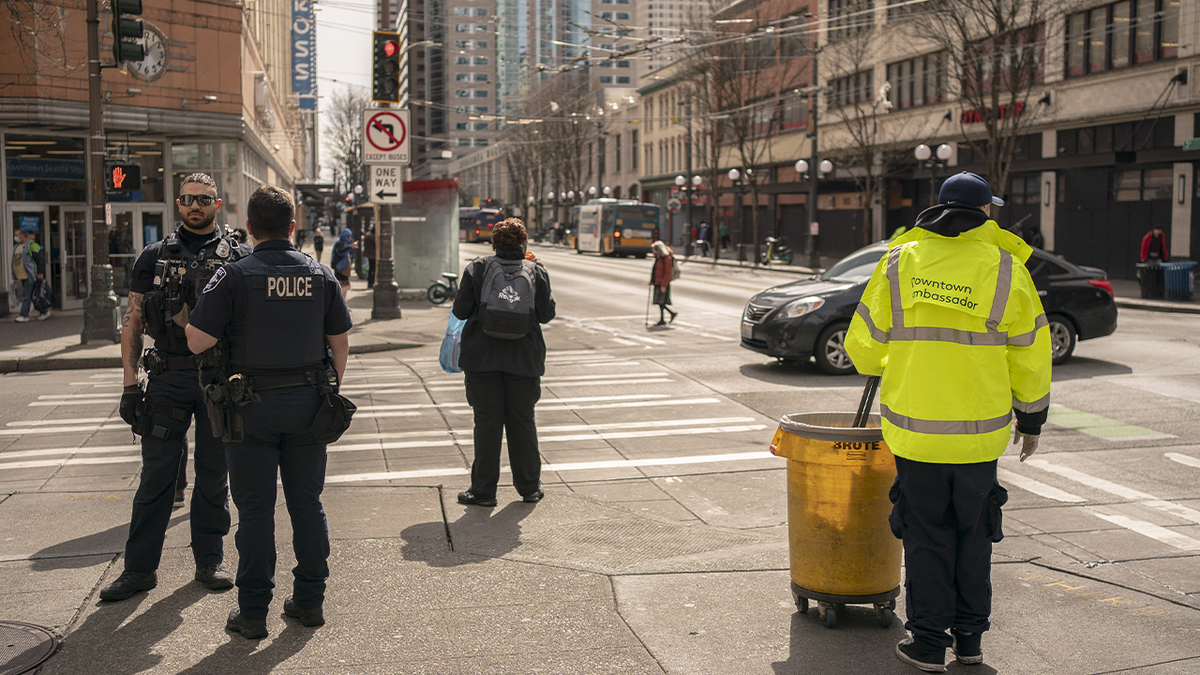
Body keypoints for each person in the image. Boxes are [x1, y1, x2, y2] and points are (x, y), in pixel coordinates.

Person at [845, 171, 1051, 673]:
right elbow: (1031, 354)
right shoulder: (1006, 269)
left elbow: (864, 349)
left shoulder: (899, 262)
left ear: (937, 208)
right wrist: (1032, 421)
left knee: (927, 539)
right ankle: (971, 642)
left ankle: (929, 644)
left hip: (915, 436)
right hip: (979, 441)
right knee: (974, 539)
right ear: (986, 212)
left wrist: (903, 362)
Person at [186, 185, 353, 640]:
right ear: (293, 226)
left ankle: (253, 612)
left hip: (249, 410)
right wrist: (328, 386)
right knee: (307, 504)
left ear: (249, 229)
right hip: (308, 405)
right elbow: (339, 343)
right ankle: (310, 601)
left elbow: (197, 340)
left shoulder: (234, 275)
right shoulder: (319, 275)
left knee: (256, 512)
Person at [103, 172, 251, 602]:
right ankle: (139, 570)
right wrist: (130, 385)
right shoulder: (152, 256)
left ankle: (210, 560)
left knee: (212, 475)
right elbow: (133, 321)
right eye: (187, 199)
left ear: (217, 204)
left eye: (203, 199)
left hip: (216, 381)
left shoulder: (238, 255)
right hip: (166, 379)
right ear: (177, 202)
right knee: (157, 477)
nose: (194, 206)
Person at [452, 218, 555, 508]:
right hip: (524, 360)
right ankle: (529, 488)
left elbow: (460, 311)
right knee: (522, 422)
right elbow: (547, 314)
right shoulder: (536, 271)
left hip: (482, 361)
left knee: (487, 424)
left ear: (494, 244)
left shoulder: (476, 268)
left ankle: (484, 491)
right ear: (524, 244)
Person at [11, 227, 48, 322]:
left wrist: (40, 272)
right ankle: (44, 311)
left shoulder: (31, 245)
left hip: (29, 275)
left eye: (16, 235)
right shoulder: (17, 246)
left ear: (22, 235)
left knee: (26, 295)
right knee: (32, 295)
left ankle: (24, 315)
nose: (15, 237)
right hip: (20, 276)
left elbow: (38, 260)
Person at [649, 240, 678, 326]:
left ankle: (667, 316)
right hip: (658, 282)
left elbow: (667, 273)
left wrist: (664, 284)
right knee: (659, 302)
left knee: (662, 302)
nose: (653, 252)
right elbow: (655, 271)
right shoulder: (659, 258)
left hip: (662, 283)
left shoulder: (666, 258)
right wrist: (652, 281)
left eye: (654, 250)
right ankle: (666, 317)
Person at [330, 227, 356, 296]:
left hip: (342, 268)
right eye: (349, 237)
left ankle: (342, 301)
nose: (350, 238)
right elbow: (340, 251)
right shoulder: (340, 243)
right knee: (344, 286)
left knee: (342, 286)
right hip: (340, 268)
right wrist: (350, 246)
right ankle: (342, 301)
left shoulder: (343, 243)